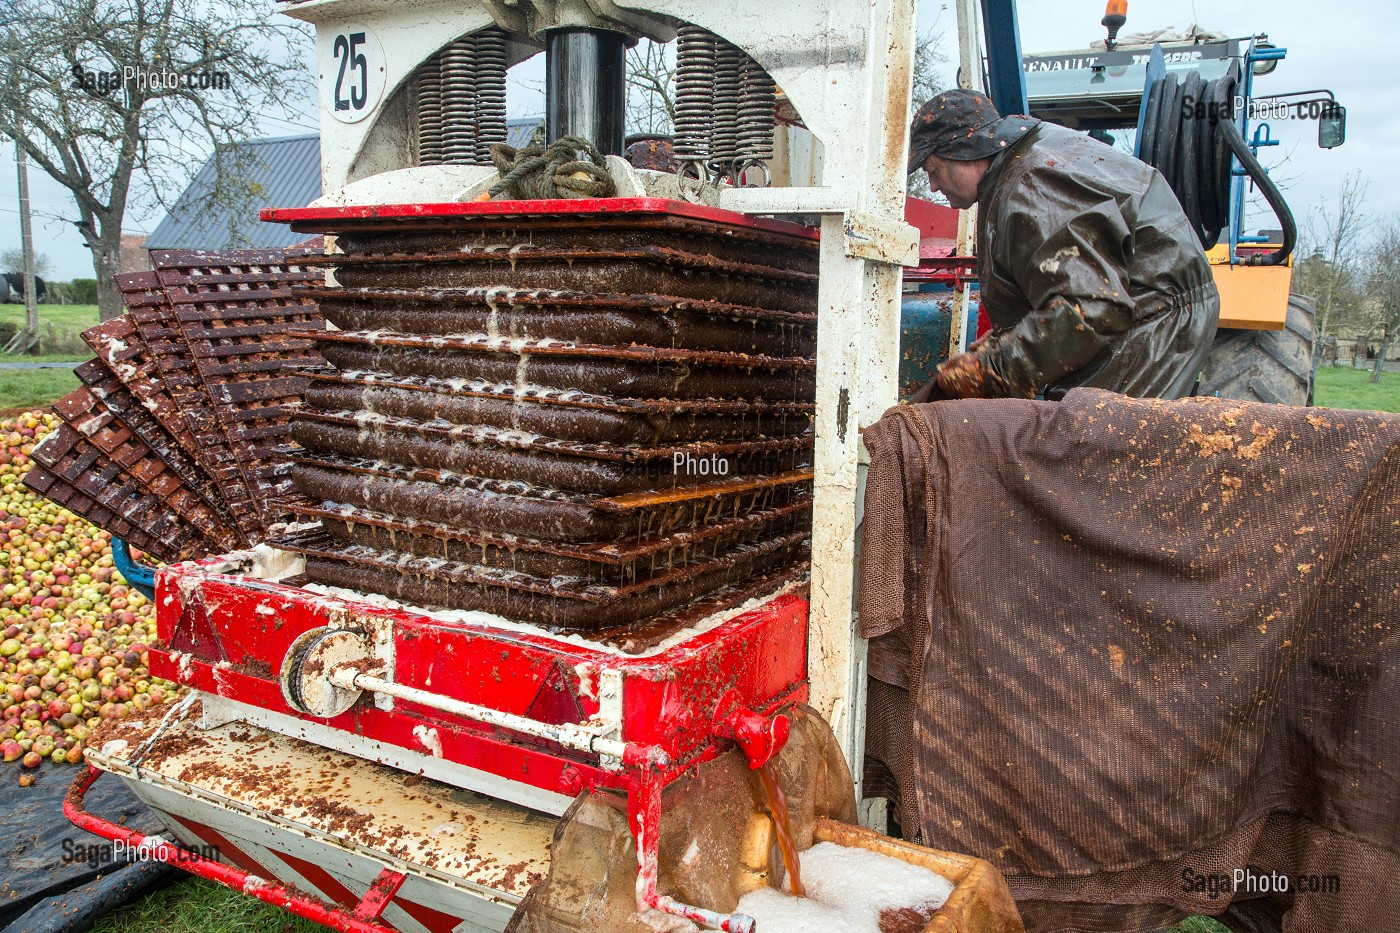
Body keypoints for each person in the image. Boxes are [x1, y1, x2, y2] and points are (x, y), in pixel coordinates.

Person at [907, 89, 1219, 401]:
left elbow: (1090, 309)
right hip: (1143, 306)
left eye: (934, 170)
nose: (933, 185)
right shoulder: (1018, 167)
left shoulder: (1029, 187)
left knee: (1098, 439)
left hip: (1154, 318)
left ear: (965, 149)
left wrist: (990, 369)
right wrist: (995, 348)